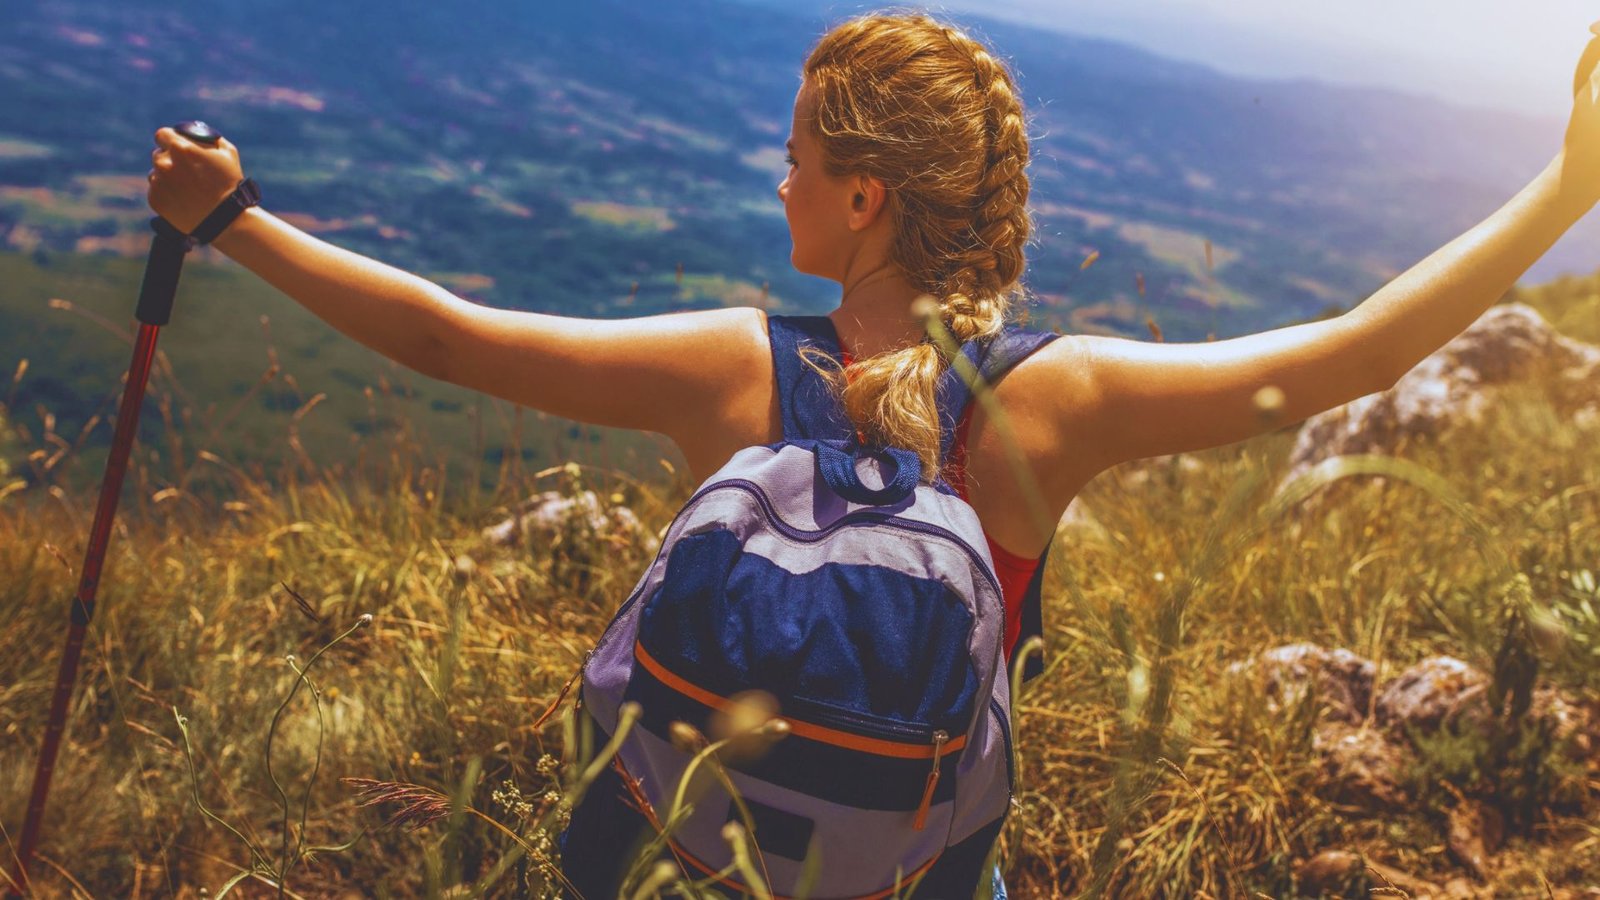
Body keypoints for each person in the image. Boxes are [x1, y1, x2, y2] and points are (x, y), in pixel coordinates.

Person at [148, 11, 1600, 896]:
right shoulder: (1057, 403)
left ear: (862, 198)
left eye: (796, 156)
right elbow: (1345, 354)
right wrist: (1566, 186)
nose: (778, 176)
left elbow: (448, 341)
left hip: (672, 868)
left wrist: (232, 221)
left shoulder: (732, 370)